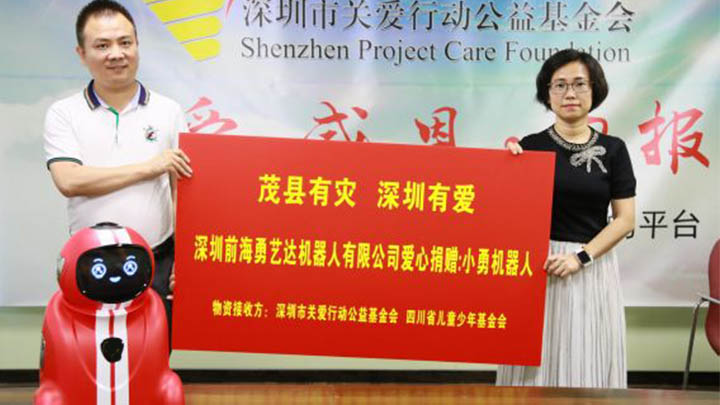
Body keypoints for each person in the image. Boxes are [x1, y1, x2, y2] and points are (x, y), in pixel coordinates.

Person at [43, 0, 192, 341]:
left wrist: (186, 260)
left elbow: (182, 190)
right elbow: (69, 180)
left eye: (125, 42)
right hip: (90, 261)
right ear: (82, 54)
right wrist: (150, 167)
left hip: (157, 260)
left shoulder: (168, 111)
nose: (116, 54)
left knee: (153, 351)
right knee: (88, 353)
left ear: (137, 45)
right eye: (102, 45)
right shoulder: (64, 113)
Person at [498, 49, 636, 388]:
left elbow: (625, 220)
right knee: (532, 368)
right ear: (547, 94)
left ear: (594, 90)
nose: (569, 93)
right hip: (536, 267)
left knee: (587, 358)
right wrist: (506, 168)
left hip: (590, 265)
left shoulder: (614, 150)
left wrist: (580, 258)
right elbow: (507, 212)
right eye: (559, 85)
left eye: (579, 84)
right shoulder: (529, 147)